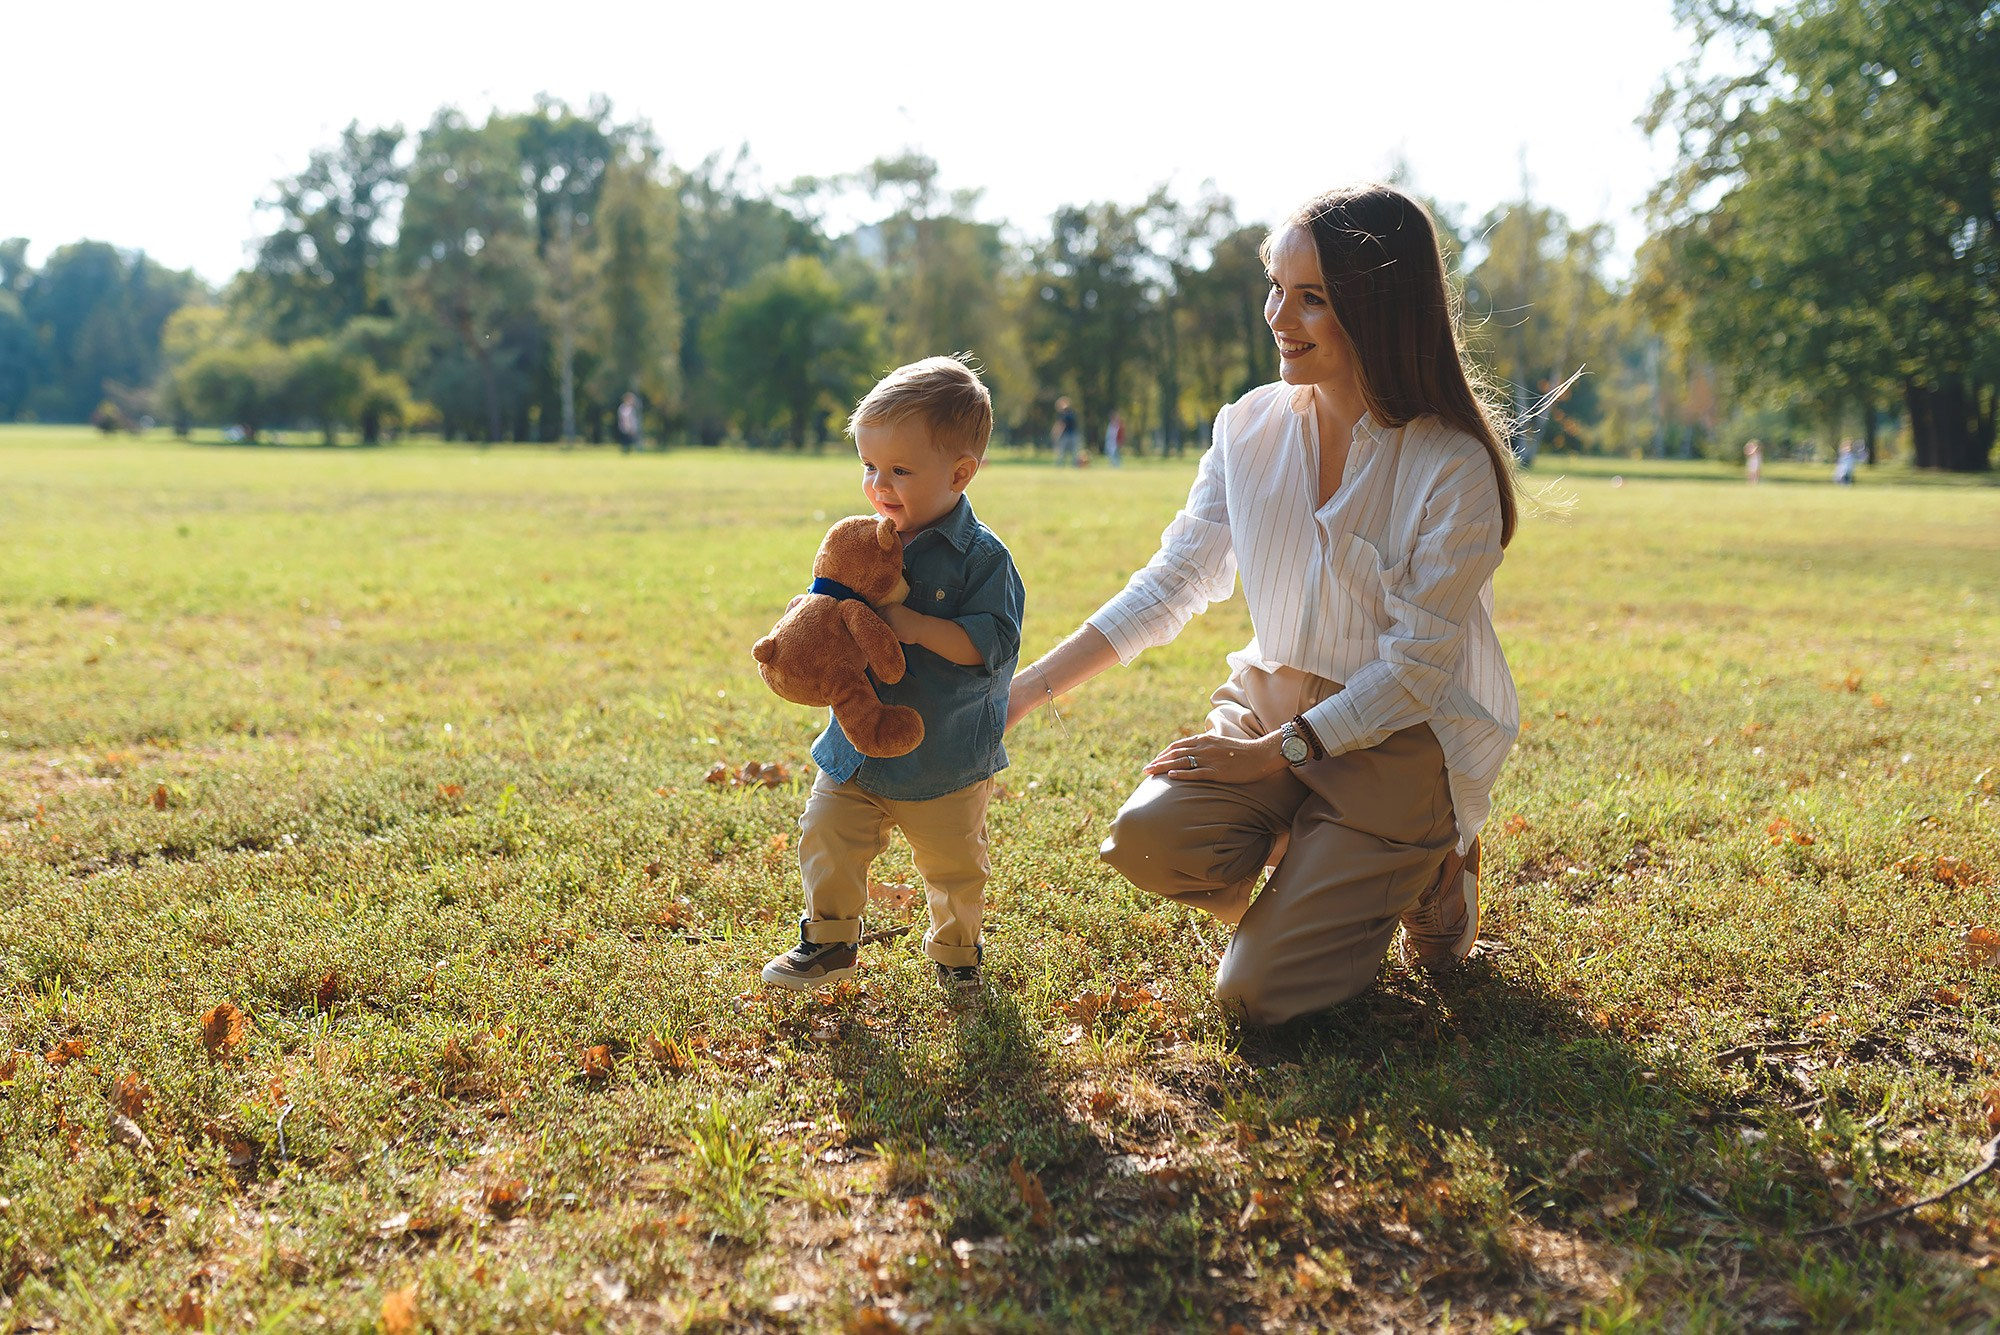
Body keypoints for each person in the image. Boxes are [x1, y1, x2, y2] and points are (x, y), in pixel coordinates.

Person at [1008, 184, 1521, 1025]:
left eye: (1313, 297)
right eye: (1276, 287)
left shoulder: (1450, 465)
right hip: (1269, 706)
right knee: (1145, 840)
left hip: (1399, 739)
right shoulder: (1245, 428)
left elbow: (1413, 675)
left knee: (1253, 998)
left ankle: (1432, 864)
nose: (1280, 315)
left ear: (1380, 307)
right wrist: (1026, 692)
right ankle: (1329, 858)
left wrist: (1278, 755)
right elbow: (1172, 582)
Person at [762, 356, 1025, 997]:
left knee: (954, 865)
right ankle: (828, 943)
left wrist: (915, 625)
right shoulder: (861, 541)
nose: (879, 484)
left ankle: (958, 955)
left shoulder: (983, 560)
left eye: (900, 470)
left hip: (944, 757)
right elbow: (828, 609)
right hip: (855, 750)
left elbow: (993, 644)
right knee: (826, 833)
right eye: (869, 466)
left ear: (960, 473)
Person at [1051, 396, 1080, 467]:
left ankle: (1074, 465)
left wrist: (1056, 435)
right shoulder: (1065, 414)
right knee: (1062, 451)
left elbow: (1061, 425)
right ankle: (1060, 464)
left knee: (1073, 452)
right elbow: (1060, 424)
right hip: (1067, 435)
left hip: (1071, 434)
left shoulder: (1069, 413)